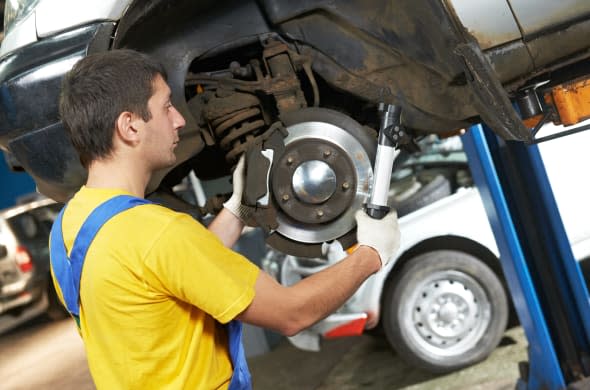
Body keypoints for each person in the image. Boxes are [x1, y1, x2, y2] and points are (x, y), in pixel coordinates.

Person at [49, 49, 400, 390]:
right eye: (166, 106)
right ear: (129, 127)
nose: (180, 120)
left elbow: (173, 274)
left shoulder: (68, 230)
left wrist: (238, 209)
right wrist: (370, 254)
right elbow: (292, 314)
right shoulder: (158, 232)